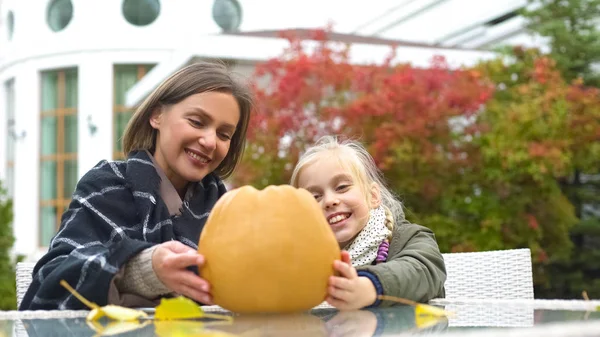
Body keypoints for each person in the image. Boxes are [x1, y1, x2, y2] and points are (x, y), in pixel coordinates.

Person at [19, 61, 254, 310]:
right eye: (196, 122)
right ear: (156, 115)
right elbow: (49, 283)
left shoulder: (227, 210)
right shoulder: (105, 185)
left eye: (224, 135)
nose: (209, 141)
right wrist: (143, 269)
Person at [290, 136, 446, 310]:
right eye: (314, 197)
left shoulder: (408, 238)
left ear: (372, 196)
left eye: (341, 187)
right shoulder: (302, 259)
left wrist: (371, 286)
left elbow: (424, 271)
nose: (329, 201)